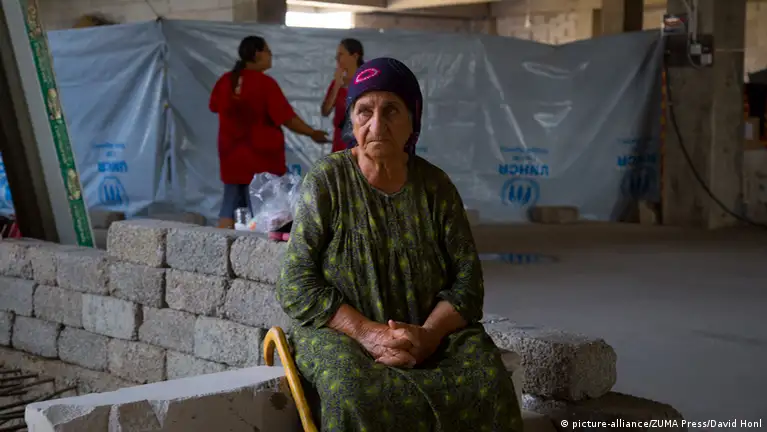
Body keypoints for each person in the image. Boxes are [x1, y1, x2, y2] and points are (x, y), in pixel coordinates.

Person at [277, 58, 522, 432]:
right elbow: (295, 282)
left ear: (413, 121)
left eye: (391, 110)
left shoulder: (436, 187)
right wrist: (368, 333)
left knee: (487, 383)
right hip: (343, 333)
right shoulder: (327, 181)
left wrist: (428, 336)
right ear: (351, 121)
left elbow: (468, 283)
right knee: (354, 392)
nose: (376, 126)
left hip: (431, 333)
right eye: (364, 111)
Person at [210, 35, 328, 229]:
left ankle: (220, 246)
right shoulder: (265, 84)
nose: (271, 56)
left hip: (231, 159)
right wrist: (312, 133)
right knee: (263, 214)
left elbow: (214, 106)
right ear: (257, 53)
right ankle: (254, 248)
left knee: (229, 208)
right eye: (268, 51)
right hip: (260, 162)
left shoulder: (225, 81)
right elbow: (288, 119)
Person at [320, 38, 364, 153]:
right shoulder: (337, 83)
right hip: (340, 145)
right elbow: (325, 111)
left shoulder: (366, 81)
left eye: (341, 54)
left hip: (360, 144)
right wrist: (336, 86)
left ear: (355, 56)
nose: (337, 58)